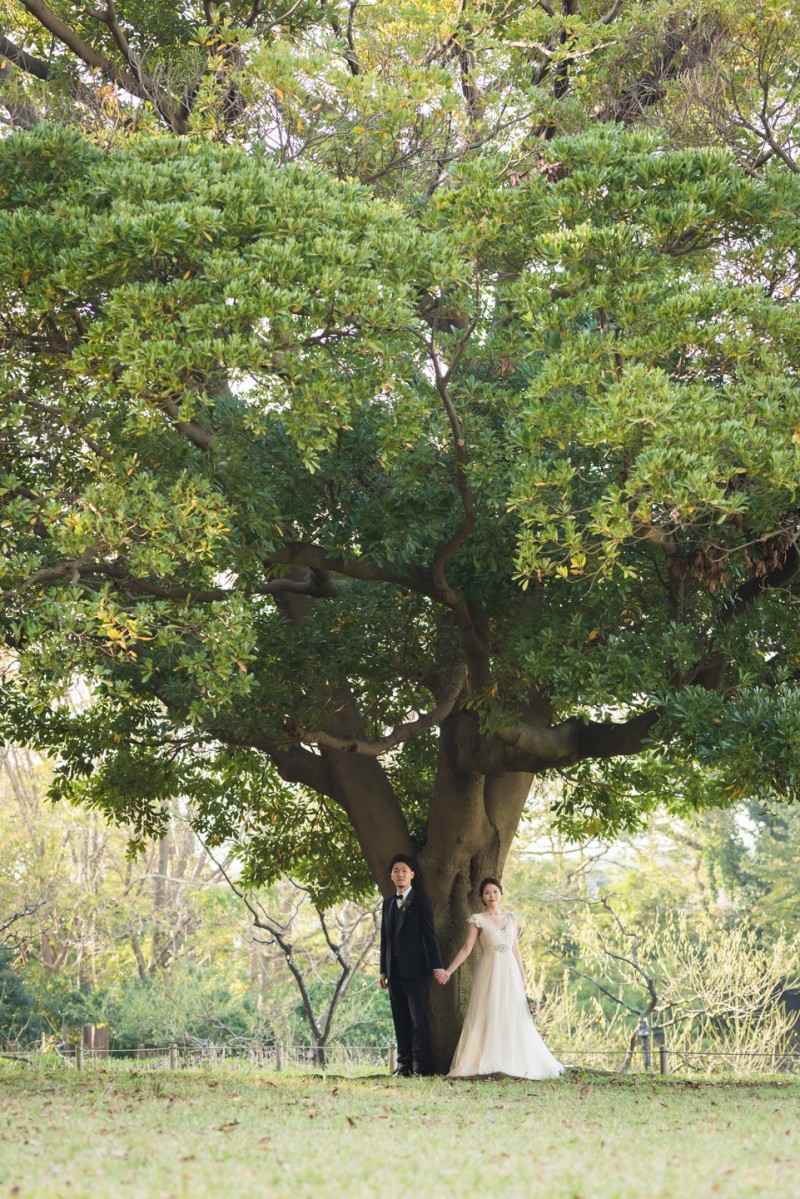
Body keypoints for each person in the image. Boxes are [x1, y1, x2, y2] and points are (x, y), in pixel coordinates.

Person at [443, 877, 564, 1080]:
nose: (492, 895)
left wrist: (523, 976)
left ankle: (514, 1059)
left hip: (510, 971)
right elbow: (466, 949)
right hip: (489, 970)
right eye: (487, 892)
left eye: (495, 891)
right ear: (482, 897)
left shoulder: (511, 919)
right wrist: (448, 971)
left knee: (511, 1013)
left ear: (501, 894)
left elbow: (515, 949)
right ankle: (487, 1058)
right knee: (489, 1011)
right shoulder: (477, 920)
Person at [379, 853, 448, 1077]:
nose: (400, 874)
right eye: (396, 871)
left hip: (417, 971)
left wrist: (437, 966)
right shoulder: (388, 904)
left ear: (412, 875)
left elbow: (430, 936)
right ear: (391, 876)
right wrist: (383, 969)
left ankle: (422, 1067)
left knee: (418, 1020)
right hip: (393, 972)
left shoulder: (421, 902)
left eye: (404, 871)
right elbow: (384, 939)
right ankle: (404, 1066)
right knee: (400, 1020)